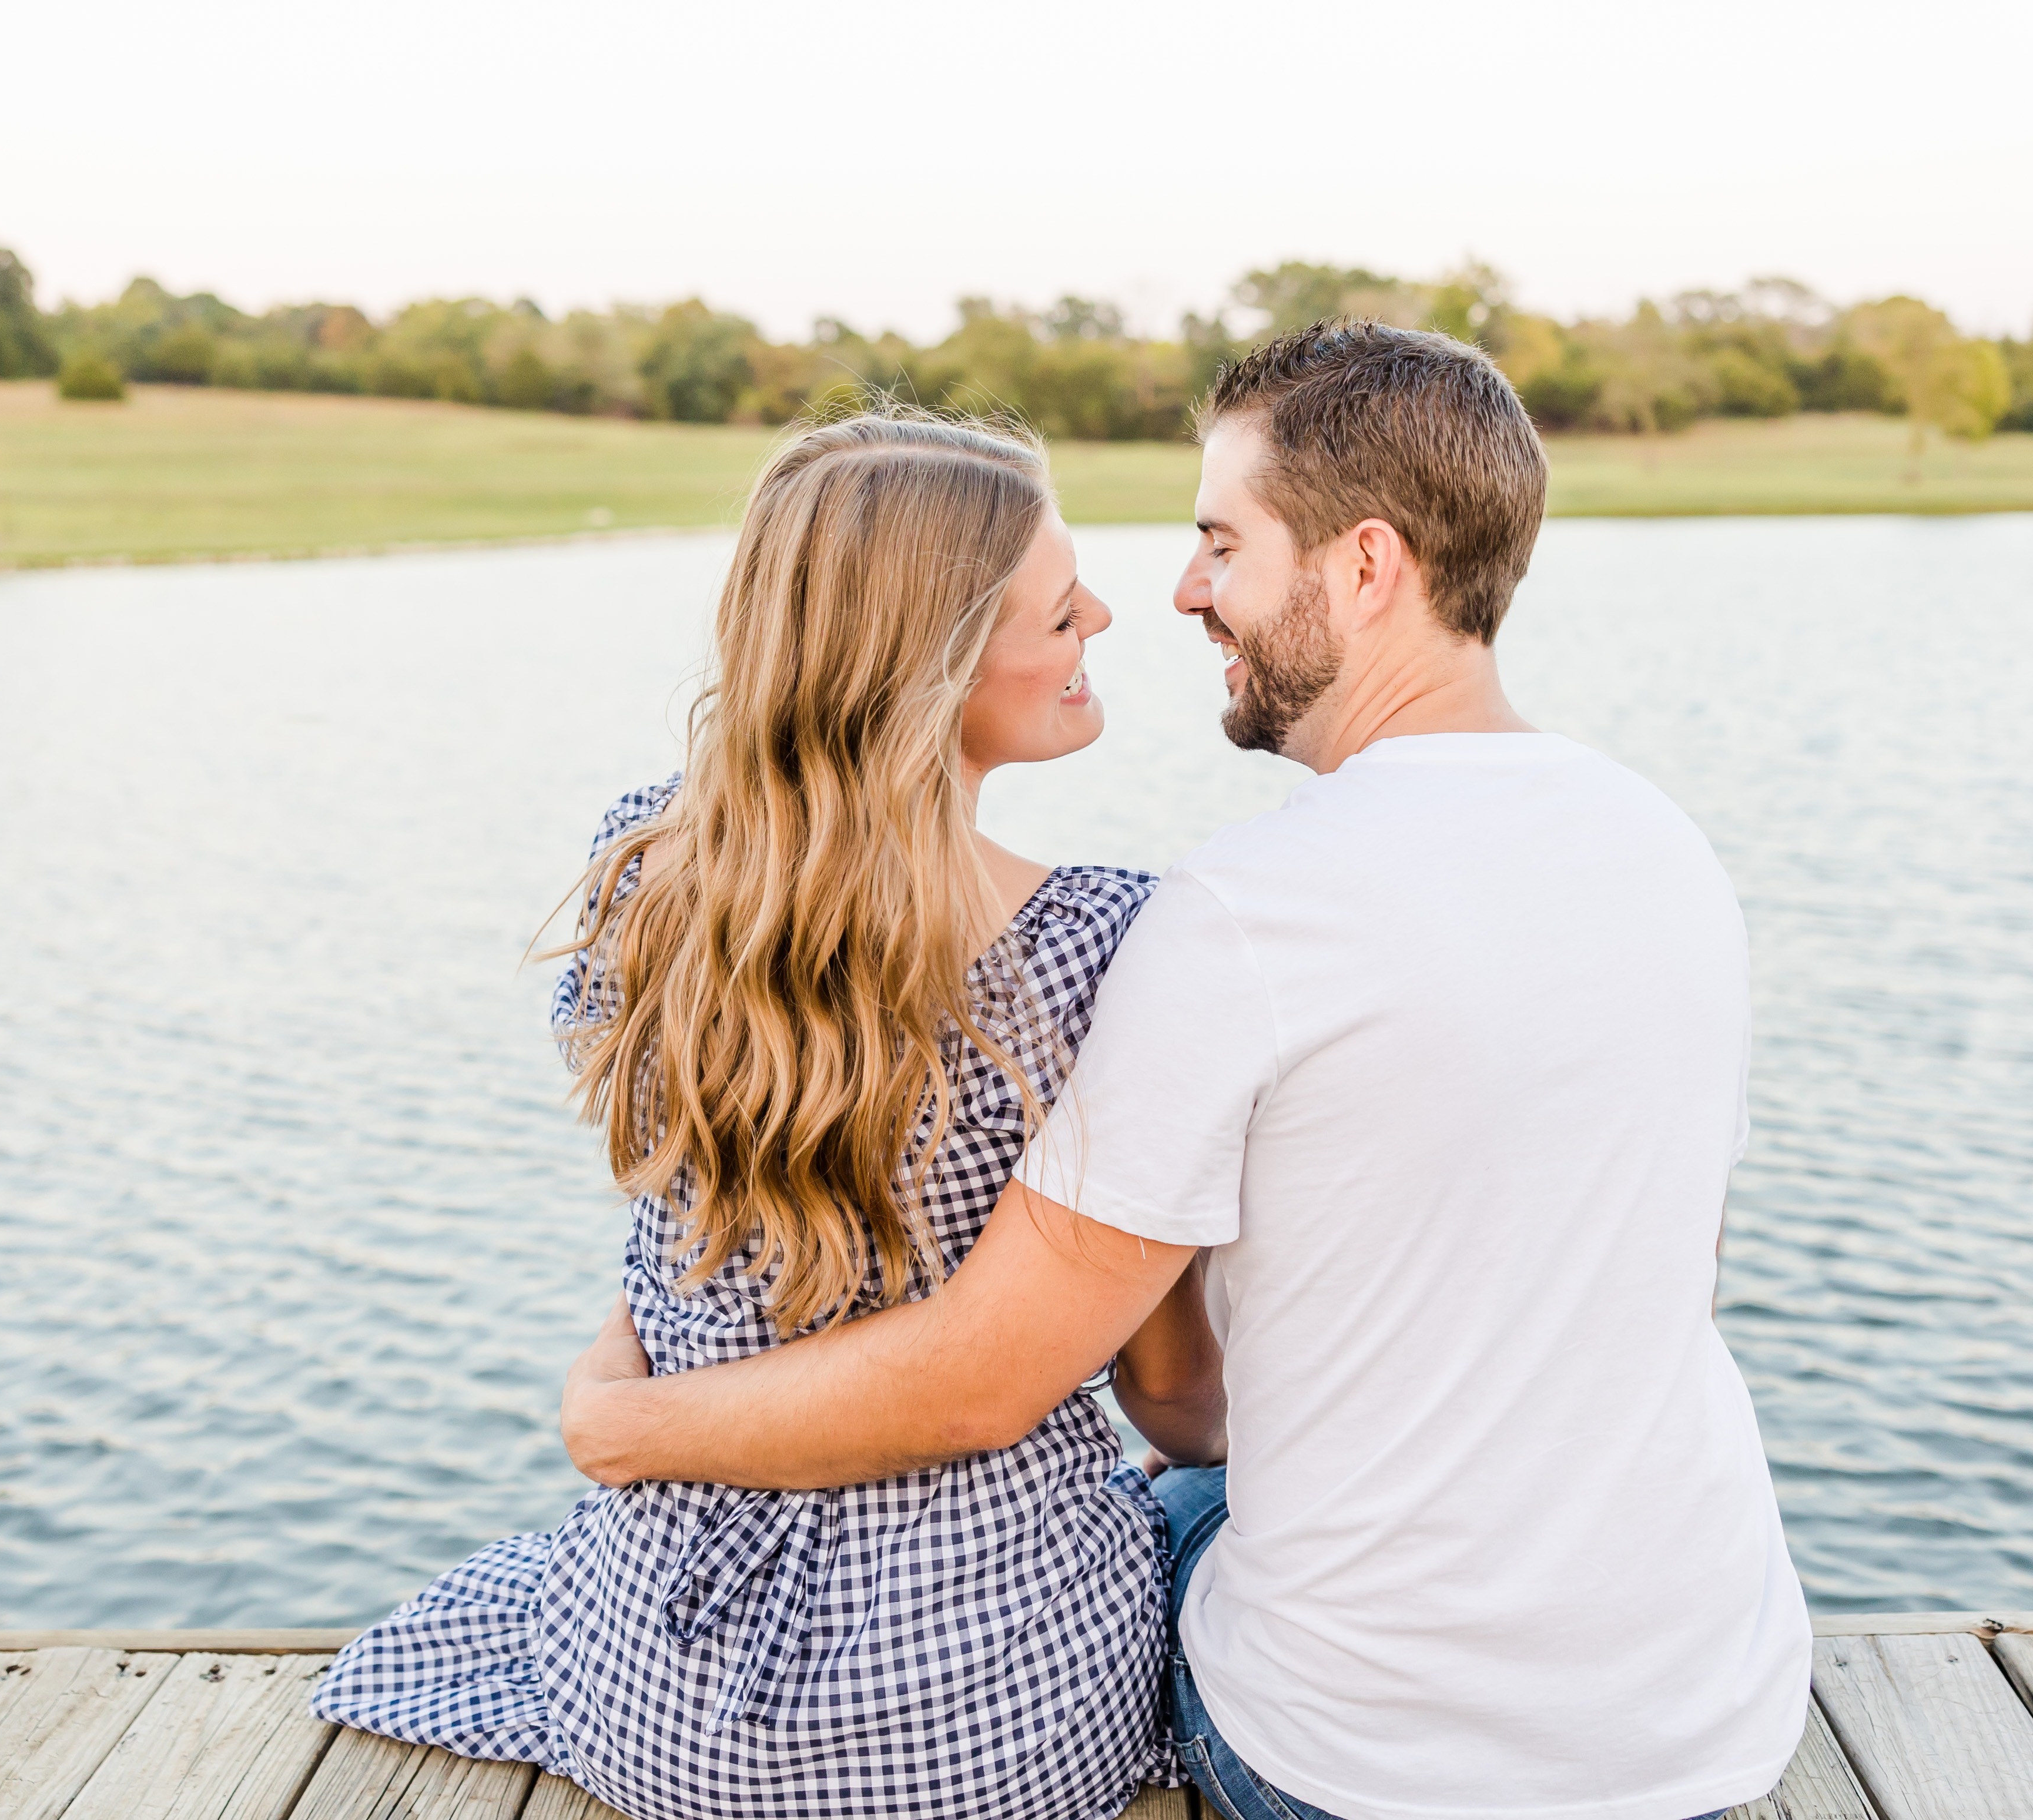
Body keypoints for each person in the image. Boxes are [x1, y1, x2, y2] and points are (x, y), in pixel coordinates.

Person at [560, 326, 1813, 1820]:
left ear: (1362, 569)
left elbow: (1043, 1389)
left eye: (1220, 541)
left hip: (1356, 1769)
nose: (1173, 593)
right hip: (1704, 1714)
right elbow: (1674, 1283)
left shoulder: (1236, 913)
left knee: (1195, 1492)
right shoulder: (1667, 851)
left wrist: (626, 1422)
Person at [311, 411, 1223, 1820]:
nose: (1103, 613)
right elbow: (1164, 1387)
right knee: (1200, 1506)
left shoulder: (648, 879)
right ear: (931, 665)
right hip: (980, 1723)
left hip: (660, 1697)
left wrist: (618, 1406)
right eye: (1059, 605)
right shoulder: (1101, 945)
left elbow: (664, 1253)